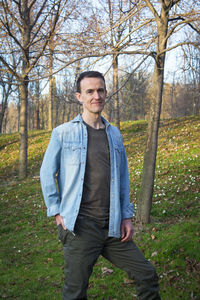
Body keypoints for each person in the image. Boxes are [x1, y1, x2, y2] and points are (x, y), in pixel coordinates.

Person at [40, 71, 161, 300]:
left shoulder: (114, 134)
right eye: (90, 91)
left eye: (101, 90)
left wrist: (126, 217)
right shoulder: (63, 133)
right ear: (79, 96)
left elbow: (122, 178)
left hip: (113, 226)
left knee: (147, 275)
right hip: (80, 227)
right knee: (75, 293)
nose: (97, 96)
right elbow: (46, 173)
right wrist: (56, 212)